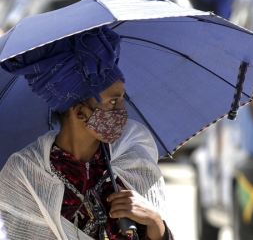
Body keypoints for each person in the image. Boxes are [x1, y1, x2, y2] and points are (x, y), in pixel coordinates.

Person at [0, 26, 174, 240]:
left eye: (121, 99)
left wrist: (155, 222)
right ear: (81, 112)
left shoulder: (133, 157)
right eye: (113, 101)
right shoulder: (25, 175)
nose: (123, 111)